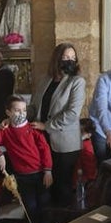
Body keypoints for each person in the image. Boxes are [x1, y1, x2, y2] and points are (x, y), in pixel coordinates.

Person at [0, 95, 52, 223]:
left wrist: (48, 171)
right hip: (22, 177)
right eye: (17, 110)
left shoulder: (33, 129)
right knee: (30, 208)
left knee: (44, 206)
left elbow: (45, 149)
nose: (21, 113)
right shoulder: (5, 130)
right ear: (8, 112)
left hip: (40, 173)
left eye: (24, 110)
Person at [31, 42, 86, 207]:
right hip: (43, 140)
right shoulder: (46, 80)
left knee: (61, 186)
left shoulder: (77, 82)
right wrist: (17, 114)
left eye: (73, 58)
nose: (70, 61)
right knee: (44, 184)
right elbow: (35, 106)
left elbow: (72, 113)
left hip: (64, 143)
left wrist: (46, 126)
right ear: (57, 59)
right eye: (66, 57)